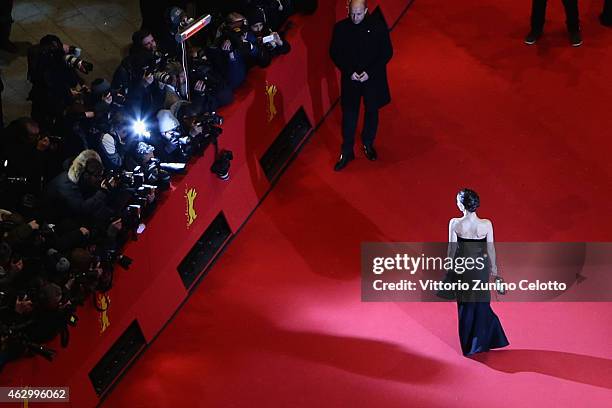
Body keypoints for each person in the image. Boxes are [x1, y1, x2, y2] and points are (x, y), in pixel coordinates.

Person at [329, 0, 393, 171]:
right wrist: (349, 71)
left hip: (371, 80)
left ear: (365, 11)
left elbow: (387, 52)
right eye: (352, 13)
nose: (355, 17)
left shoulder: (378, 27)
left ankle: (368, 143)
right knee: (349, 116)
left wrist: (369, 73)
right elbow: (334, 52)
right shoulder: (341, 28)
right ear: (348, 10)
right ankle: (347, 150)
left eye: (358, 13)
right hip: (351, 81)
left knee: (372, 111)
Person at [447, 189, 509, 356]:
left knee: (465, 307)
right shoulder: (486, 224)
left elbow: (452, 250)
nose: (456, 203)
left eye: (457, 201)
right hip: (480, 268)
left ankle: (469, 346)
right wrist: (494, 269)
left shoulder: (455, 223)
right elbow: (490, 248)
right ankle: (484, 341)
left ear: (462, 205)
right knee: (481, 304)